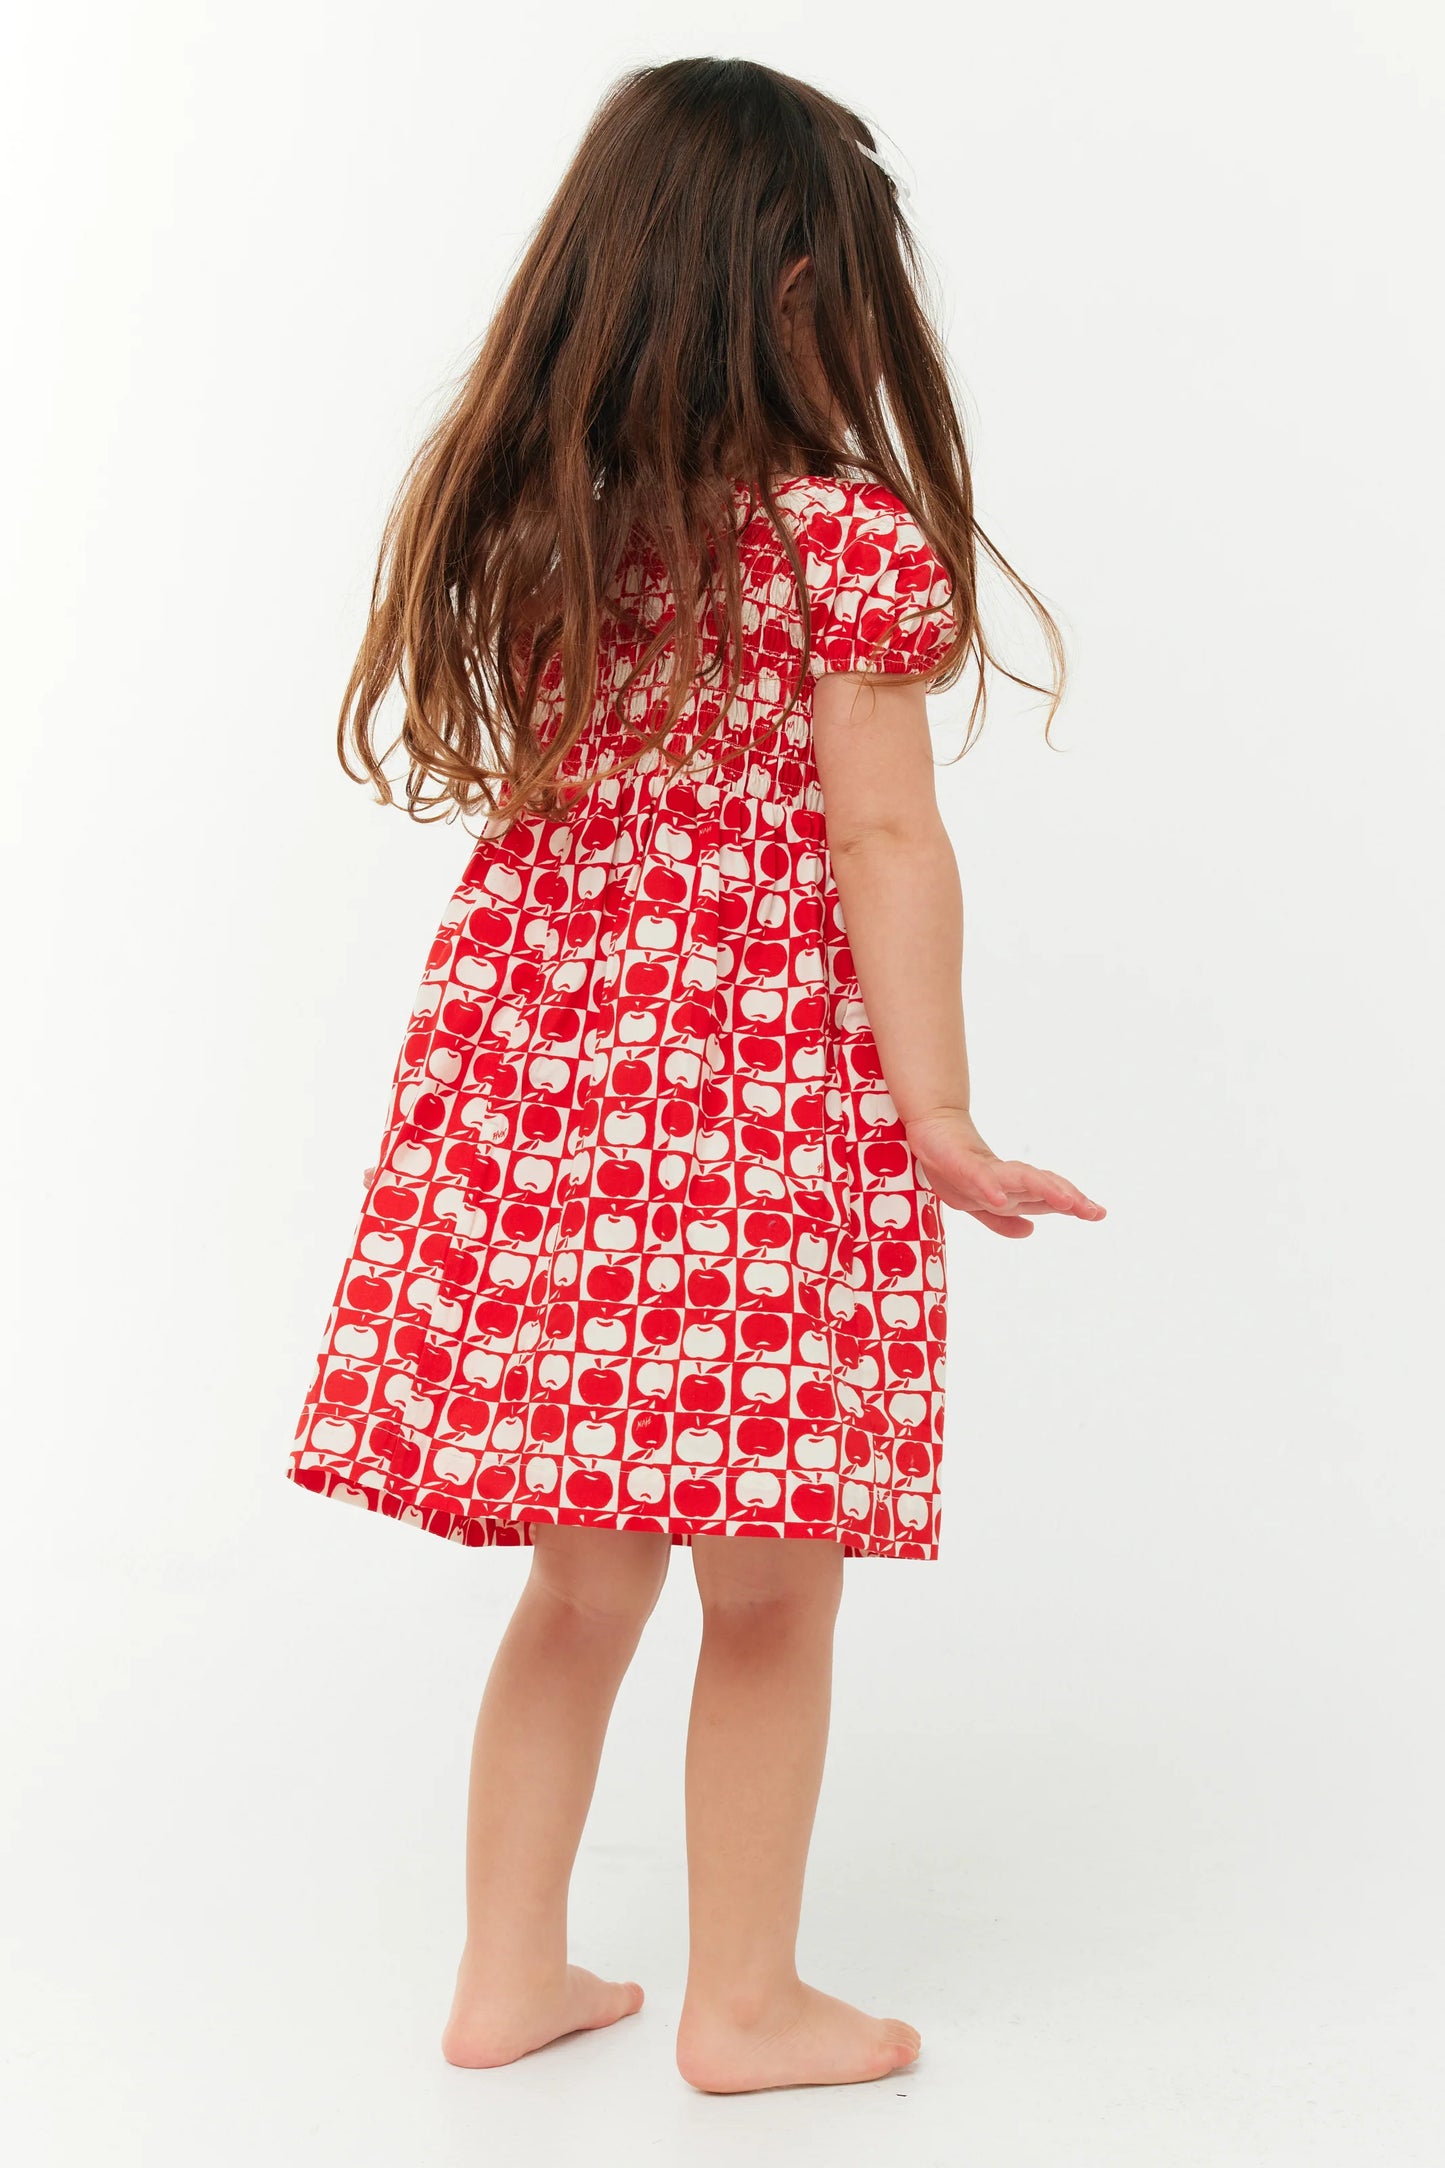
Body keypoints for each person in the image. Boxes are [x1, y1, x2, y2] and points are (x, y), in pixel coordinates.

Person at [287, 55, 1105, 2096]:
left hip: (557, 1111)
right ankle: (743, 2004)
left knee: (579, 1584)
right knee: (768, 1592)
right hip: (748, 1121)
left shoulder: (540, 523)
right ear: (800, 286)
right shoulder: (842, 540)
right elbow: (884, 836)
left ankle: (506, 1976)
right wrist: (939, 1115)